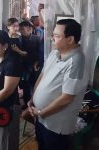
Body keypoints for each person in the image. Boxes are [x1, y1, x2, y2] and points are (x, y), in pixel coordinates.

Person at [27, 19, 88, 150]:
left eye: (56, 35)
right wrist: (33, 99)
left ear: (70, 39)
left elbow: (67, 98)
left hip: (56, 125)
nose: (51, 38)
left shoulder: (76, 61)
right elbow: (43, 75)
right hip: (40, 118)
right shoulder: (55, 53)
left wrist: (41, 112)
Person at [0, 30, 21, 150]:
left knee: (6, 141)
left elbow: (7, 90)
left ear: (5, 46)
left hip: (8, 108)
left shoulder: (12, 62)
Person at [19, 20, 40, 106]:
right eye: (21, 30)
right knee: (24, 85)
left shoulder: (36, 39)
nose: (22, 31)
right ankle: (26, 103)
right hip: (23, 67)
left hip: (34, 66)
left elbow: (40, 52)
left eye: (24, 29)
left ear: (30, 29)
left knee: (35, 85)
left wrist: (38, 62)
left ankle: (36, 102)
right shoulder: (19, 40)